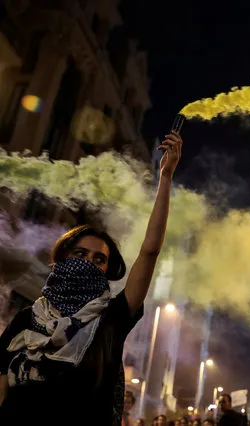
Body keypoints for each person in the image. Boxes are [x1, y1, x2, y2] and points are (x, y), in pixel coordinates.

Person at [0, 131, 184, 425]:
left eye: (99, 259)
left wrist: (165, 178)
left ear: (108, 271)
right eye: (80, 253)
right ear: (61, 258)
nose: (88, 262)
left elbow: (149, 253)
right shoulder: (25, 319)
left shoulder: (111, 318)